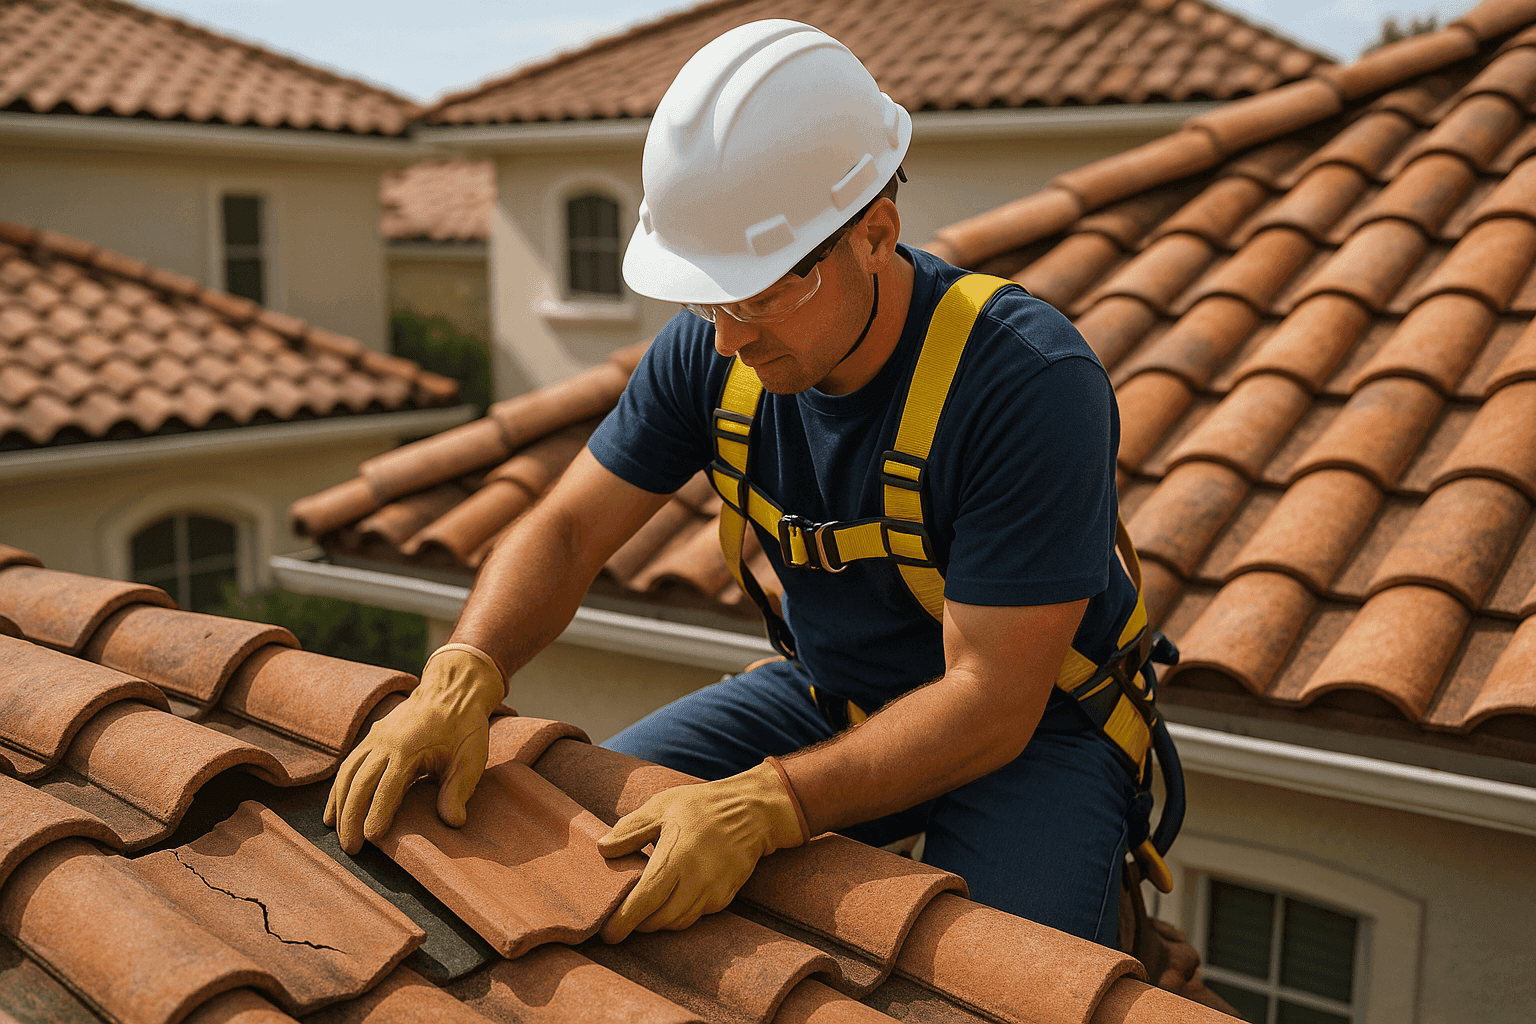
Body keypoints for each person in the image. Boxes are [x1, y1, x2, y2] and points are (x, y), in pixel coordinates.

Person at [326, 19, 1146, 948]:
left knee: (1007, 982)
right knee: (577, 858)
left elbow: (993, 700)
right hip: (824, 696)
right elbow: (567, 532)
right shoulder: (715, 351)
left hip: (1033, 735)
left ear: (875, 234)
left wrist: (771, 804)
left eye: (758, 296)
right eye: (707, 299)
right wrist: (462, 674)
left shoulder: (1026, 383)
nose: (728, 339)